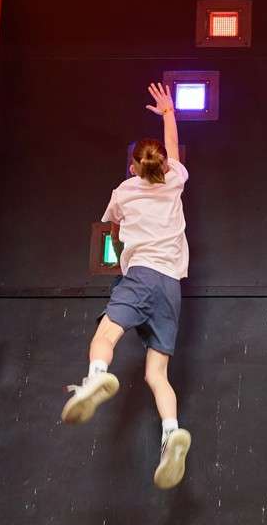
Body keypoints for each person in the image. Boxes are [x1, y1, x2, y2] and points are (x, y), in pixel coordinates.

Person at [61, 83, 193, 490]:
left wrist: (126, 235)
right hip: (172, 287)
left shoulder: (123, 191)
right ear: (166, 163)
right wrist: (169, 112)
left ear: (132, 166)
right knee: (158, 374)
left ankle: (96, 377)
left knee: (106, 334)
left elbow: (113, 231)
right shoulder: (176, 180)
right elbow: (171, 148)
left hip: (141, 276)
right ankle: (171, 432)